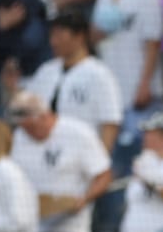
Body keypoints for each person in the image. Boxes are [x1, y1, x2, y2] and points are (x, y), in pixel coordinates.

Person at [7, 91, 113, 232]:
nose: (27, 132)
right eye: (22, 127)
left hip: (67, 231)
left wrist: (84, 199)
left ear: (44, 115)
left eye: (31, 126)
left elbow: (103, 175)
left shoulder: (76, 132)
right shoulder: (19, 138)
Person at [24, 11, 123, 152]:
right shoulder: (46, 71)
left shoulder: (99, 74)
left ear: (79, 36)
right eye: (52, 35)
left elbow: (110, 123)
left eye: (59, 35)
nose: (53, 41)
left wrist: (101, 164)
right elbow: (28, 109)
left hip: (83, 153)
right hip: (46, 153)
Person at [92, 0, 163, 116]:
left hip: (139, 86)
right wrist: (102, 28)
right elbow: (94, 38)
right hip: (112, 84)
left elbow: (153, 42)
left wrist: (145, 84)